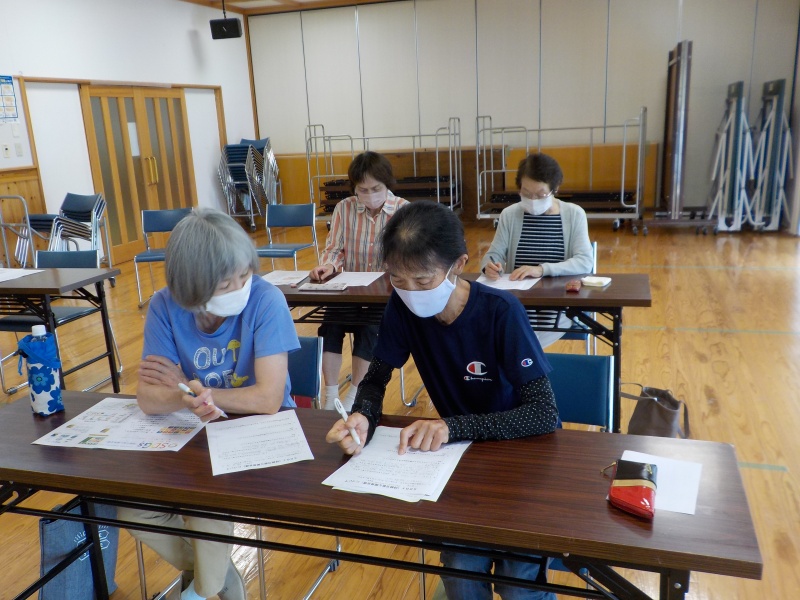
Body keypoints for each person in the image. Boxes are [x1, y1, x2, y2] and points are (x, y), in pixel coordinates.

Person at [326, 200, 559, 600]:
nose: (410, 292)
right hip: (456, 461)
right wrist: (363, 415)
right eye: (397, 279)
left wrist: (453, 426)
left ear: (458, 265)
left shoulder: (501, 312)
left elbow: (543, 413)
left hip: (518, 458)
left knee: (517, 581)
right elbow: (376, 377)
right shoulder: (401, 307)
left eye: (422, 280)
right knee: (459, 568)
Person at [119, 208, 300, 600]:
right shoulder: (165, 306)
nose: (239, 288)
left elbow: (268, 398)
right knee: (132, 510)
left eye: (245, 276)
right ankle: (219, 578)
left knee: (205, 505)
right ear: (192, 287)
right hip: (195, 435)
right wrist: (186, 397)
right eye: (225, 283)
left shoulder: (266, 300)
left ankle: (201, 592)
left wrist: (196, 393)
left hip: (262, 433)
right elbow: (148, 398)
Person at [310, 151, 408, 410]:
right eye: (362, 190)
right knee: (330, 325)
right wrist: (328, 265)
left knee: (370, 329)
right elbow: (335, 249)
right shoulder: (344, 208)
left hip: (385, 293)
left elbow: (409, 256)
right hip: (350, 289)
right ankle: (330, 396)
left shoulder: (403, 210)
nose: (370, 195)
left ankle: (354, 395)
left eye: (376, 189)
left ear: (387, 184)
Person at [481, 152, 593, 348]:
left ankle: (522, 362)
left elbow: (584, 261)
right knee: (504, 328)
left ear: (555, 189)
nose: (532, 200)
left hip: (557, 302)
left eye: (540, 195)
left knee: (522, 338)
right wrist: (489, 266)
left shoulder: (574, 214)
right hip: (518, 300)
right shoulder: (510, 215)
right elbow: (494, 253)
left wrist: (541, 269)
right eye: (526, 193)